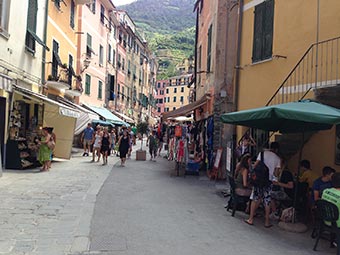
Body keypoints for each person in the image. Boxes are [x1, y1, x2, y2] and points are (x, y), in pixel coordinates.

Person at [245, 142, 281, 228]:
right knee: (267, 201)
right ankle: (267, 222)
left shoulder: (262, 154)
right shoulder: (278, 159)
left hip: (258, 180)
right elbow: (276, 174)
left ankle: (250, 219)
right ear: (277, 149)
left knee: (255, 199)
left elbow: (255, 166)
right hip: (268, 182)